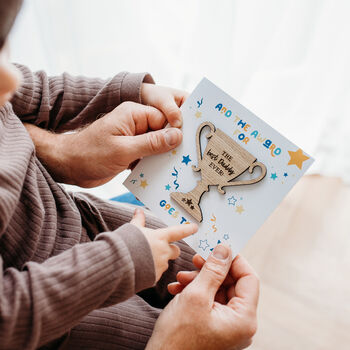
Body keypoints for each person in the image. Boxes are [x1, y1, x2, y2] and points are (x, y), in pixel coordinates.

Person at [0, 1, 259, 349]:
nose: (10, 79)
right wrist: (119, 260)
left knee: (209, 275)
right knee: (168, 332)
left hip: (77, 217)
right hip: (52, 311)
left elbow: (44, 92)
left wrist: (130, 92)